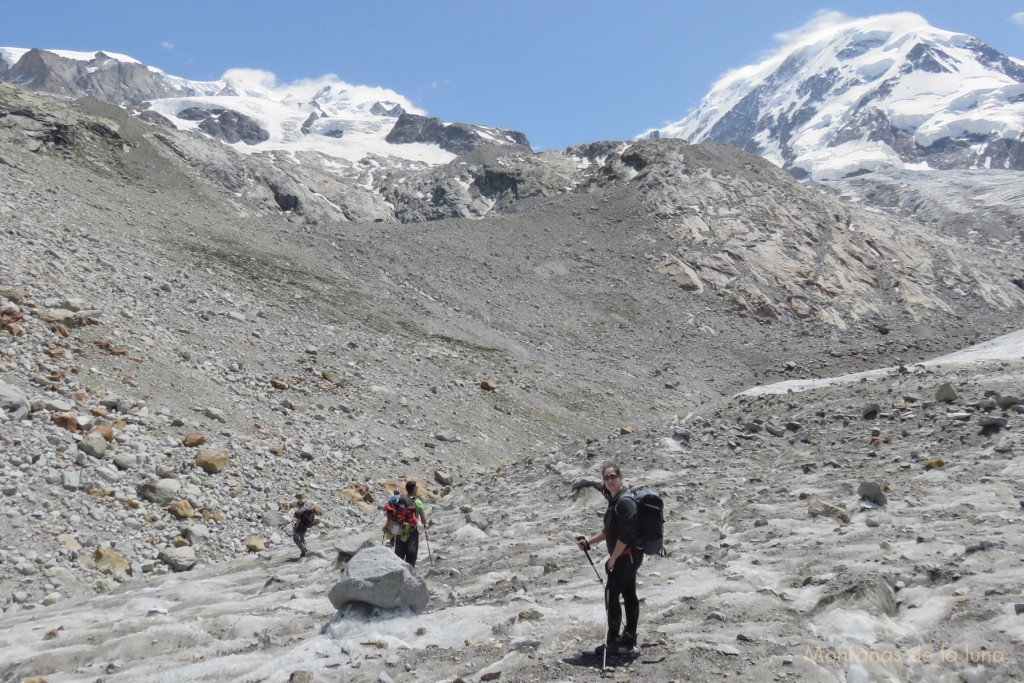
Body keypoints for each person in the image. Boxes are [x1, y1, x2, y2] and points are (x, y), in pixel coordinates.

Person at [576, 462, 642, 653]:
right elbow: (609, 531)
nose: (610, 480)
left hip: (627, 556)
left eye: (613, 476)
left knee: (611, 594)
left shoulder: (625, 501)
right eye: (607, 478)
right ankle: (628, 639)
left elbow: (626, 534)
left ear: (621, 478)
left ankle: (614, 642)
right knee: (628, 594)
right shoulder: (615, 502)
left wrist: (613, 558)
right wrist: (589, 541)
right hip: (627, 556)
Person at [394, 480, 428, 567]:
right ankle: (410, 576)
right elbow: (423, 520)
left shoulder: (400, 500)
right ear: (413, 490)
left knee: (398, 557)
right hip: (412, 532)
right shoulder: (418, 502)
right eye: (416, 488)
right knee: (411, 557)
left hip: (399, 531)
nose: (417, 489)